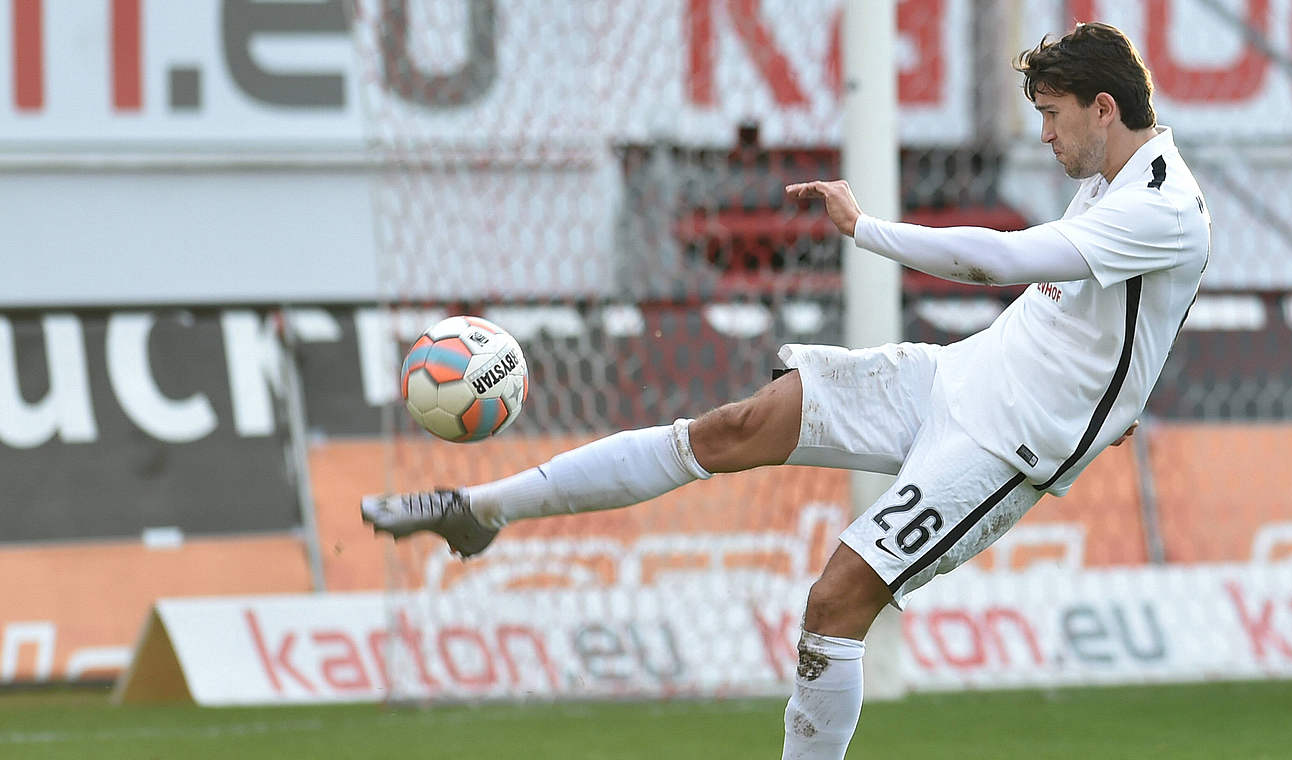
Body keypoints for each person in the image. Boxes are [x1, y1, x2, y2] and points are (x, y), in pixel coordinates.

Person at [362, 21, 1209, 760]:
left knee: (834, 602)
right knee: (731, 427)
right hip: (955, 376)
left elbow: (1005, 260)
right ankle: (482, 509)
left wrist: (864, 228)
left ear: (1105, 108)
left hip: (1005, 442)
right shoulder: (1110, 178)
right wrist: (1119, 398)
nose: (1047, 140)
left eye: (1054, 119)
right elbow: (1126, 327)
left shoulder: (1164, 208)